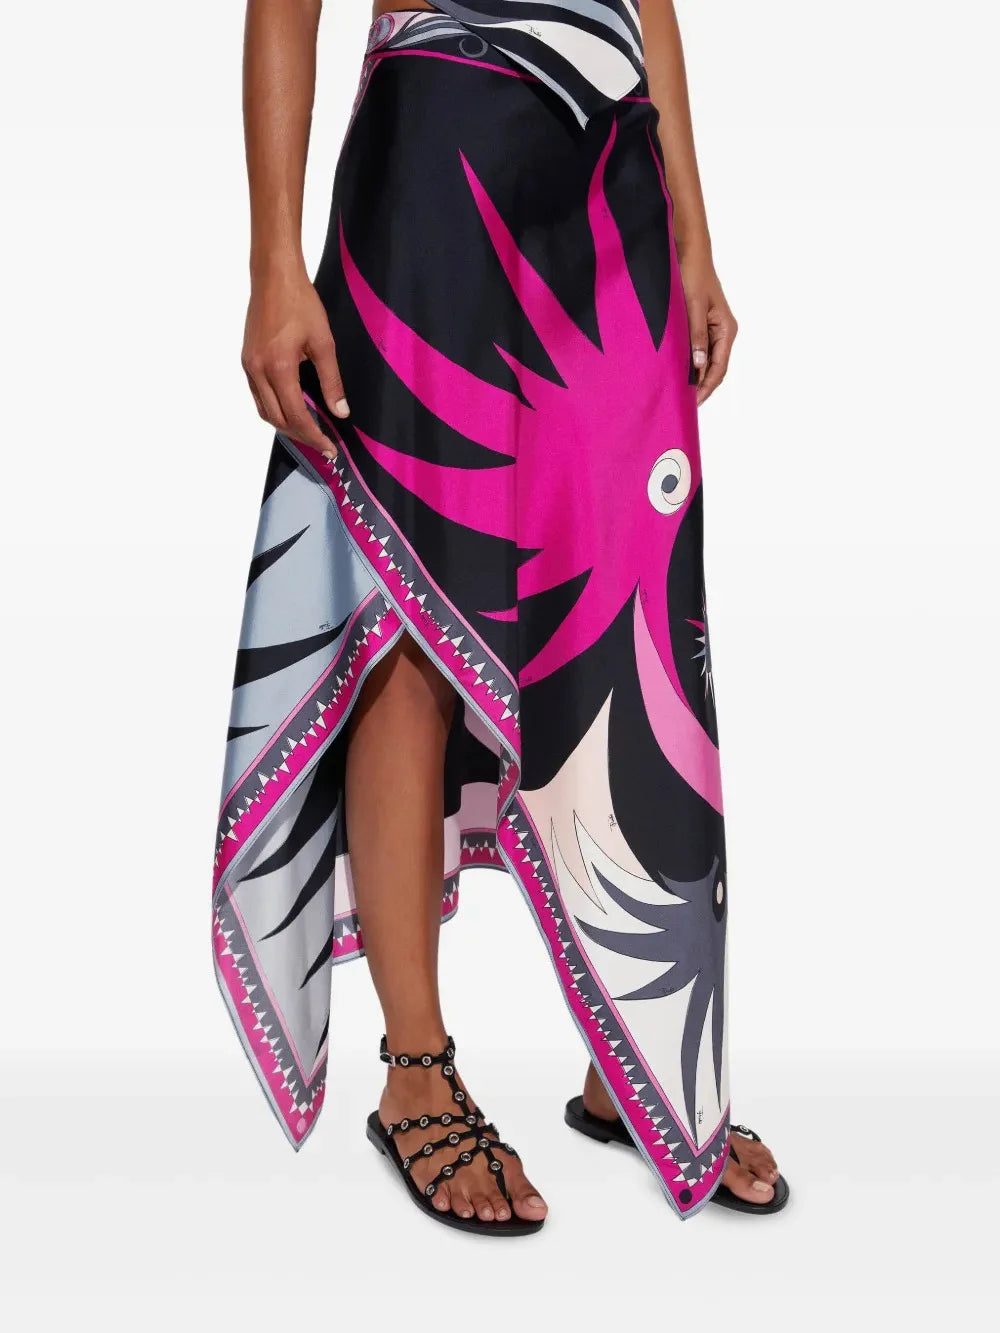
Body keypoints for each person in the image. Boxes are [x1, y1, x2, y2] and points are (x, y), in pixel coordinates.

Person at [214, 0, 788, 1235]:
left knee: (634, 608)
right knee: (413, 606)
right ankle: (416, 1067)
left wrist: (693, 236)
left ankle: (633, 1049)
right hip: (434, 157)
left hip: (610, 178)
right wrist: (273, 263)